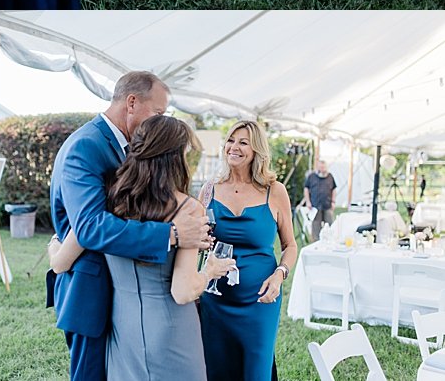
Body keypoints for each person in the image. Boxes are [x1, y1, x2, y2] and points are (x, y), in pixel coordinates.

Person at [47, 72, 213, 381]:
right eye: (160, 112)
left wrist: (59, 253)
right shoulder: (86, 146)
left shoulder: (129, 152)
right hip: (93, 294)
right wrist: (172, 234)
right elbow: (90, 226)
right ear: (132, 103)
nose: (161, 121)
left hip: (127, 305)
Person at [196, 120, 296, 381]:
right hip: (216, 299)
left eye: (243, 142)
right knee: (217, 369)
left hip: (260, 299)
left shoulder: (274, 191)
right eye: (230, 140)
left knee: (257, 370)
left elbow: (290, 245)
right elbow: (196, 241)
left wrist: (280, 274)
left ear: (257, 151)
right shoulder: (209, 189)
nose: (234, 147)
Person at [302, 157, 337, 241]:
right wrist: (308, 202)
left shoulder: (330, 176)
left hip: (327, 205)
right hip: (315, 205)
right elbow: (306, 189)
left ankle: (329, 241)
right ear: (318, 167)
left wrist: (333, 201)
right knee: (316, 227)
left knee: (330, 225)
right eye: (321, 167)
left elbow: (334, 189)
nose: (323, 169)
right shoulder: (312, 176)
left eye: (324, 167)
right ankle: (316, 243)